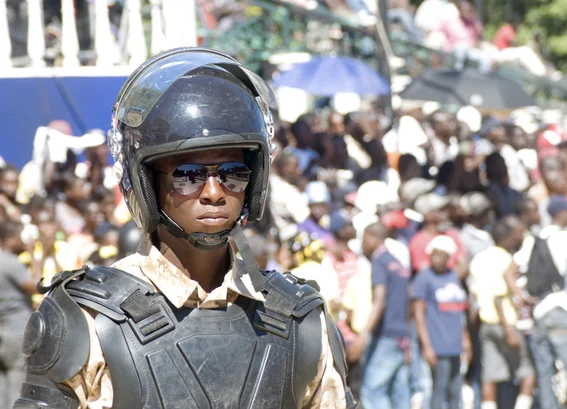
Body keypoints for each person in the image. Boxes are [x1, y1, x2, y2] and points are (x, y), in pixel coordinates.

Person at [14, 48, 358, 409]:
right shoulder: (89, 318)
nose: (213, 193)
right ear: (147, 183)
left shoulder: (300, 318)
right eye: (188, 176)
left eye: (233, 173)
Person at [508, 195, 567, 409]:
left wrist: (523, 297)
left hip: (540, 312)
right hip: (561, 307)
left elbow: (509, 273)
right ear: (560, 213)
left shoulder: (534, 239)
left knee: (545, 375)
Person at [470, 218, 535, 409]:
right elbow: (498, 296)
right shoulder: (505, 259)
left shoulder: (478, 259)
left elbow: (474, 296)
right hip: (505, 323)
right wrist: (509, 330)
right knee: (528, 373)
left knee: (490, 376)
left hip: (486, 325)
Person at [349, 222, 411, 409]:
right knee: (399, 393)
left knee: (372, 392)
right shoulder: (396, 262)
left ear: (375, 239)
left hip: (386, 336)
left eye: (364, 239)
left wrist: (363, 335)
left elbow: (380, 299)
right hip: (401, 335)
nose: (362, 244)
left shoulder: (379, 261)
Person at [412, 235, 471, 409]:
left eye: (441, 255)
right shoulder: (424, 277)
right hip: (438, 343)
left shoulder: (453, 276)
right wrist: (427, 345)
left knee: (455, 389)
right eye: (433, 255)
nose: (436, 259)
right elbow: (419, 313)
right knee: (439, 387)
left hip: (455, 343)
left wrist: (465, 341)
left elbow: (459, 312)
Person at [0, 221, 39, 409]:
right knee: (16, 386)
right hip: (17, 332)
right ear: (10, 239)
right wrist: (33, 253)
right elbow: (37, 286)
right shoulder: (10, 263)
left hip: (4, 332)